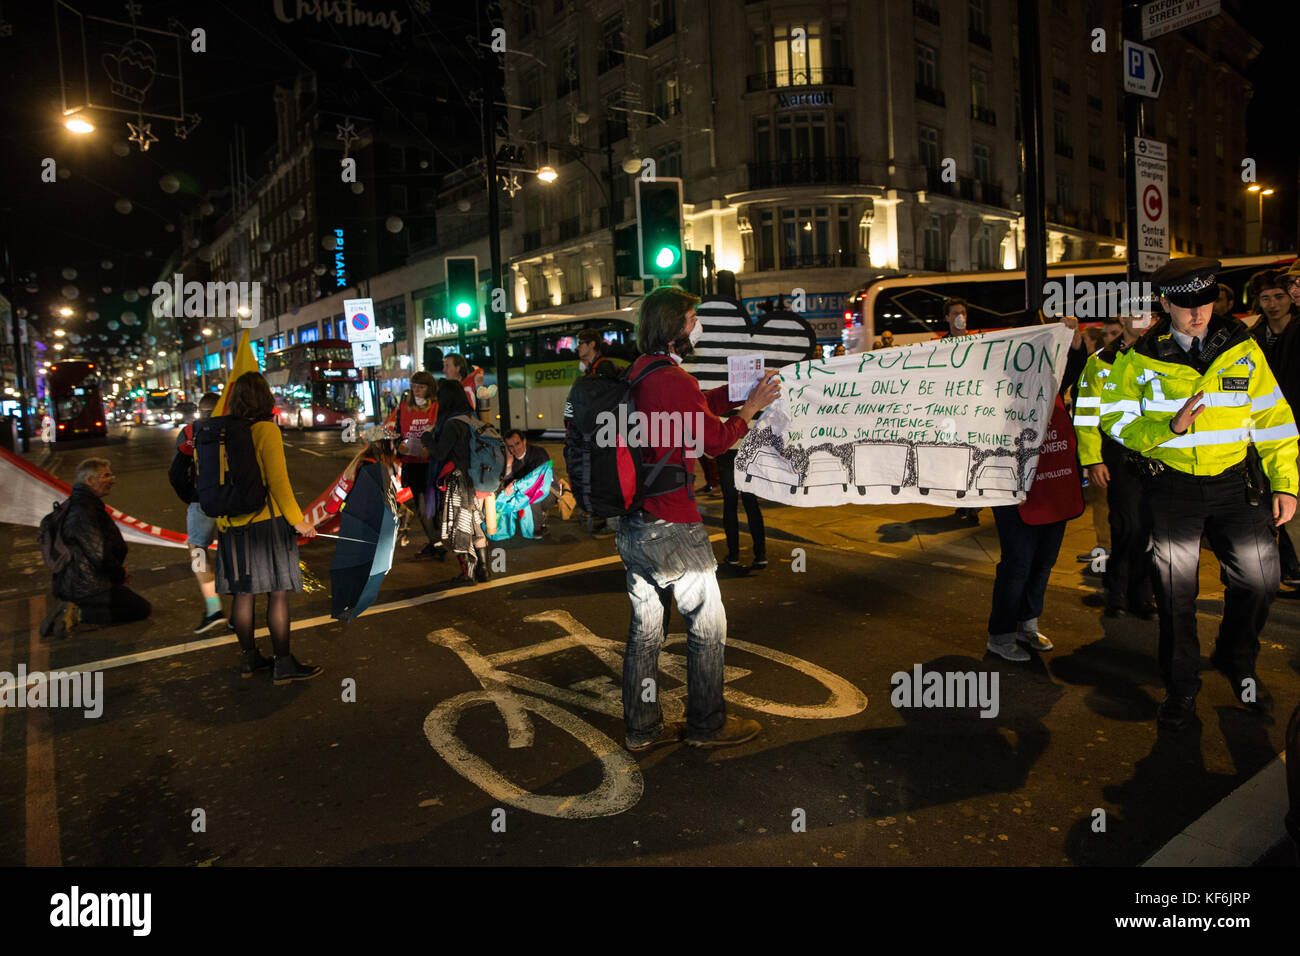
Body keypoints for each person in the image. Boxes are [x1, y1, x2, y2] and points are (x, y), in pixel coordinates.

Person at [1100, 257, 1298, 730]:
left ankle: (1234, 658)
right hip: (1172, 488)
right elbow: (1114, 419)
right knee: (1175, 594)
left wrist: (1286, 484)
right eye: (1187, 305)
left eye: (1205, 302)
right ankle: (1181, 685)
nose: (1198, 313)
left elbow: (1273, 419)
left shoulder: (1243, 347)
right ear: (1166, 303)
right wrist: (1166, 426)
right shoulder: (1141, 354)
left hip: (1236, 484)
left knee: (1260, 583)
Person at [617, 286, 781, 752]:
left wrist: (732, 392)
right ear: (675, 326)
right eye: (692, 317)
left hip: (634, 523)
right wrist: (748, 409)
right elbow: (716, 441)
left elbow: (691, 407)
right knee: (708, 627)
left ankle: (641, 729)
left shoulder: (641, 372)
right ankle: (708, 724)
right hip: (672, 524)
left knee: (644, 634)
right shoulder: (672, 378)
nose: (697, 325)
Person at [213, 372, 322, 685]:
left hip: (230, 526)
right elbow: (278, 482)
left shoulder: (220, 431)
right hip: (265, 525)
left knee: (243, 595)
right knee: (277, 594)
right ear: (265, 398)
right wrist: (298, 521)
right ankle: (283, 662)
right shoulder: (265, 431)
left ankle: (249, 659)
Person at [987, 396, 1083, 661]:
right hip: (1014, 493)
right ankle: (1001, 636)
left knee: (1043, 562)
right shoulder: (1000, 394)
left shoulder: (1056, 389)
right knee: (1017, 565)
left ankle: (1027, 624)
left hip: (1054, 488)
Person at [1073, 309, 1156, 618]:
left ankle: (1142, 593)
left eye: (1150, 313)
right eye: (1137, 313)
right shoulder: (1102, 362)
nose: (1145, 319)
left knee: (1150, 529)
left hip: (1159, 454)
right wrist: (1093, 460)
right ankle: (1118, 591)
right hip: (1119, 455)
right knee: (1125, 526)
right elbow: (1085, 415)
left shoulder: (1164, 353)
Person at [41, 458, 152, 638]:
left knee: (130, 603)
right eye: (106, 475)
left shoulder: (83, 504)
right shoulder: (83, 510)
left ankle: (79, 605)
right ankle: (79, 612)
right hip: (86, 584)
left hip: (87, 580)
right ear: (90, 481)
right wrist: (119, 574)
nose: (112, 480)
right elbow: (99, 554)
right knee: (140, 609)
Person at [1248, 269, 1300, 586]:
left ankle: (1292, 567)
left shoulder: (1297, 331)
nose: (1272, 303)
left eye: (1279, 296)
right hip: (1264, 434)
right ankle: (1283, 568)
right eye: (1265, 298)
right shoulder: (1253, 336)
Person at [423, 378, 490, 585]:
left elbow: (440, 453)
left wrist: (427, 438)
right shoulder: (473, 419)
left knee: (460, 527)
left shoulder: (453, 424)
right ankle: (484, 570)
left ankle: (467, 573)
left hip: (460, 482)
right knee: (476, 525)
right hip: (480, 480)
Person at [176, 392, 227, 633]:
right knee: (234, 550)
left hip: (202, 501)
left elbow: (175, 472)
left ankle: (214, 608)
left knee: (198, 551)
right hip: (233, 501)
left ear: (200, 410)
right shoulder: (235, 428)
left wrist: (192, 496)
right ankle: (242, 607)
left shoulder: (189, 432)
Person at [385, 370, 442, 559]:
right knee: (421, 504)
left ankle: (437, 543)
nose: (416, 391)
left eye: (421, 387)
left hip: (431, 463)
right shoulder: (404, 406)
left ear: (429, 388)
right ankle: (435, 542)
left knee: (431, 505)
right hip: (412, 461)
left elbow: (441, 431)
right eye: (414, 387)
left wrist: (431, 447)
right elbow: (400, 431)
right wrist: (399, 444)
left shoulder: (436, 406)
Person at [502, 429, 556, 536]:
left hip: (548, 492)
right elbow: (506, 483)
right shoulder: (509, 458)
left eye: (517, 443)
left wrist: (516, 483)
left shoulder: (539, 453)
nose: (515, 449)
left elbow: (539, 480)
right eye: (511, 446)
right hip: (523, 494)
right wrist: (508, 464)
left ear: (524, 441)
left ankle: (537, 527)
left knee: (531, 494)